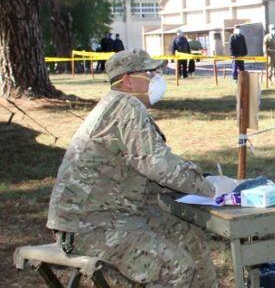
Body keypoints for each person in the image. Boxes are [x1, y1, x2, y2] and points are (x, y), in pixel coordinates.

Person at [46, 49, 231, 287]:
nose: (157, 77)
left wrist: (198, 181)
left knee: (189, 236)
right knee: (175, 266)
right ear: (128, 80)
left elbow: (147, 166)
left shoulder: (118, 105)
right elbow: (159, 165)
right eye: (151, 73)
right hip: (88, 227)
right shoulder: (125, 108)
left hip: (112, 215)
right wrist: (212, 189)